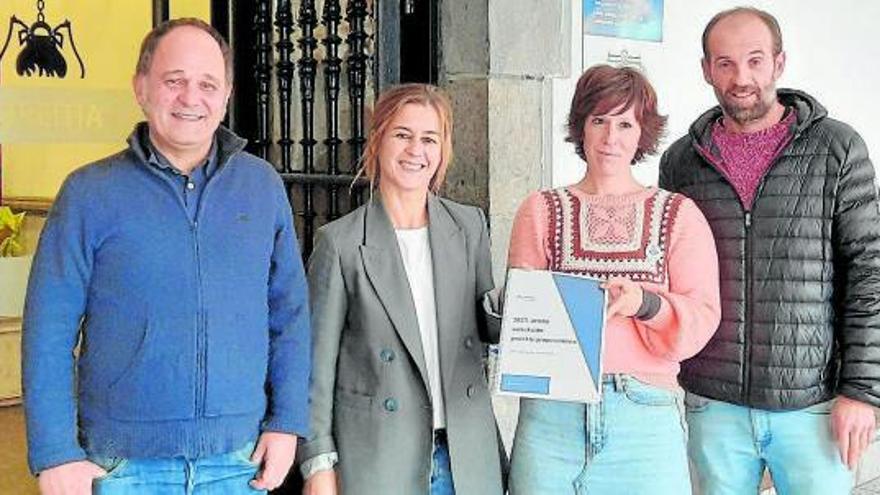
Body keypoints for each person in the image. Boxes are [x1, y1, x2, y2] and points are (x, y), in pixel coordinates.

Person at [22, 18, 311, 494]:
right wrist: (55, 452)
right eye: (174, 81)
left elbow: (290, 316)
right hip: (122, 467)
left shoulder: (261, 187)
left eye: (207, 84)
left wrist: (287, 422)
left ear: (227, 94)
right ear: (141, 88)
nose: (190, 98)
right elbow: (48, 328)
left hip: (238, 464)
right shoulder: (88, 193)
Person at [659, 7, 880, 495]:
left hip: (813, 405)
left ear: (779, 63)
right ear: (705, 69)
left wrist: (862, 391)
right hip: (712, 403)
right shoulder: (680, 163)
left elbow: (870, 273)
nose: (742, 78)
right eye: (725, 63)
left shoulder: (837, 148)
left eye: (755, 61)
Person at [505, 64, 721, 494]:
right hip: (552, 419)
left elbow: (702, 315)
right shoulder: (541, 210)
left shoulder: (677, 214)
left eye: (625, 123)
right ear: (580, 127)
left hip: (644, 416)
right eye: (598, 120)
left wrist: (645, 302)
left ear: (643, 133)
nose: (610, 137)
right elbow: (521, 314)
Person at [299, 83, 504, 495]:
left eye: (429, 139)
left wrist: (527, 302)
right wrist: (317, 462)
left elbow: (488, 326)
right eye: (402, 135)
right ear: (377, 140)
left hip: (465, 453)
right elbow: (315, 367)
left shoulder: (468, 226)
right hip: (378, 456)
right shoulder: (339, 243)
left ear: (443, 150)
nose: (416, 150)